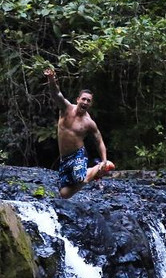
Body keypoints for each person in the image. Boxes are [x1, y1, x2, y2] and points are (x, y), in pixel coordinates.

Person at [45, 68, 115, 198]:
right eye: (84, 99)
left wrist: (104, 160)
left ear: (90, 104)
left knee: (79, 178)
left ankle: (97, 168)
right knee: (64, 194)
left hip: (78, 155)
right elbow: (56, 94)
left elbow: (98, 140)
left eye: (88, 101)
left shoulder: (89, 122)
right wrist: (51, 79)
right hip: (64, 158)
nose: (85, 102)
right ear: (78, 99)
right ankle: (95, 172)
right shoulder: (66, 109)